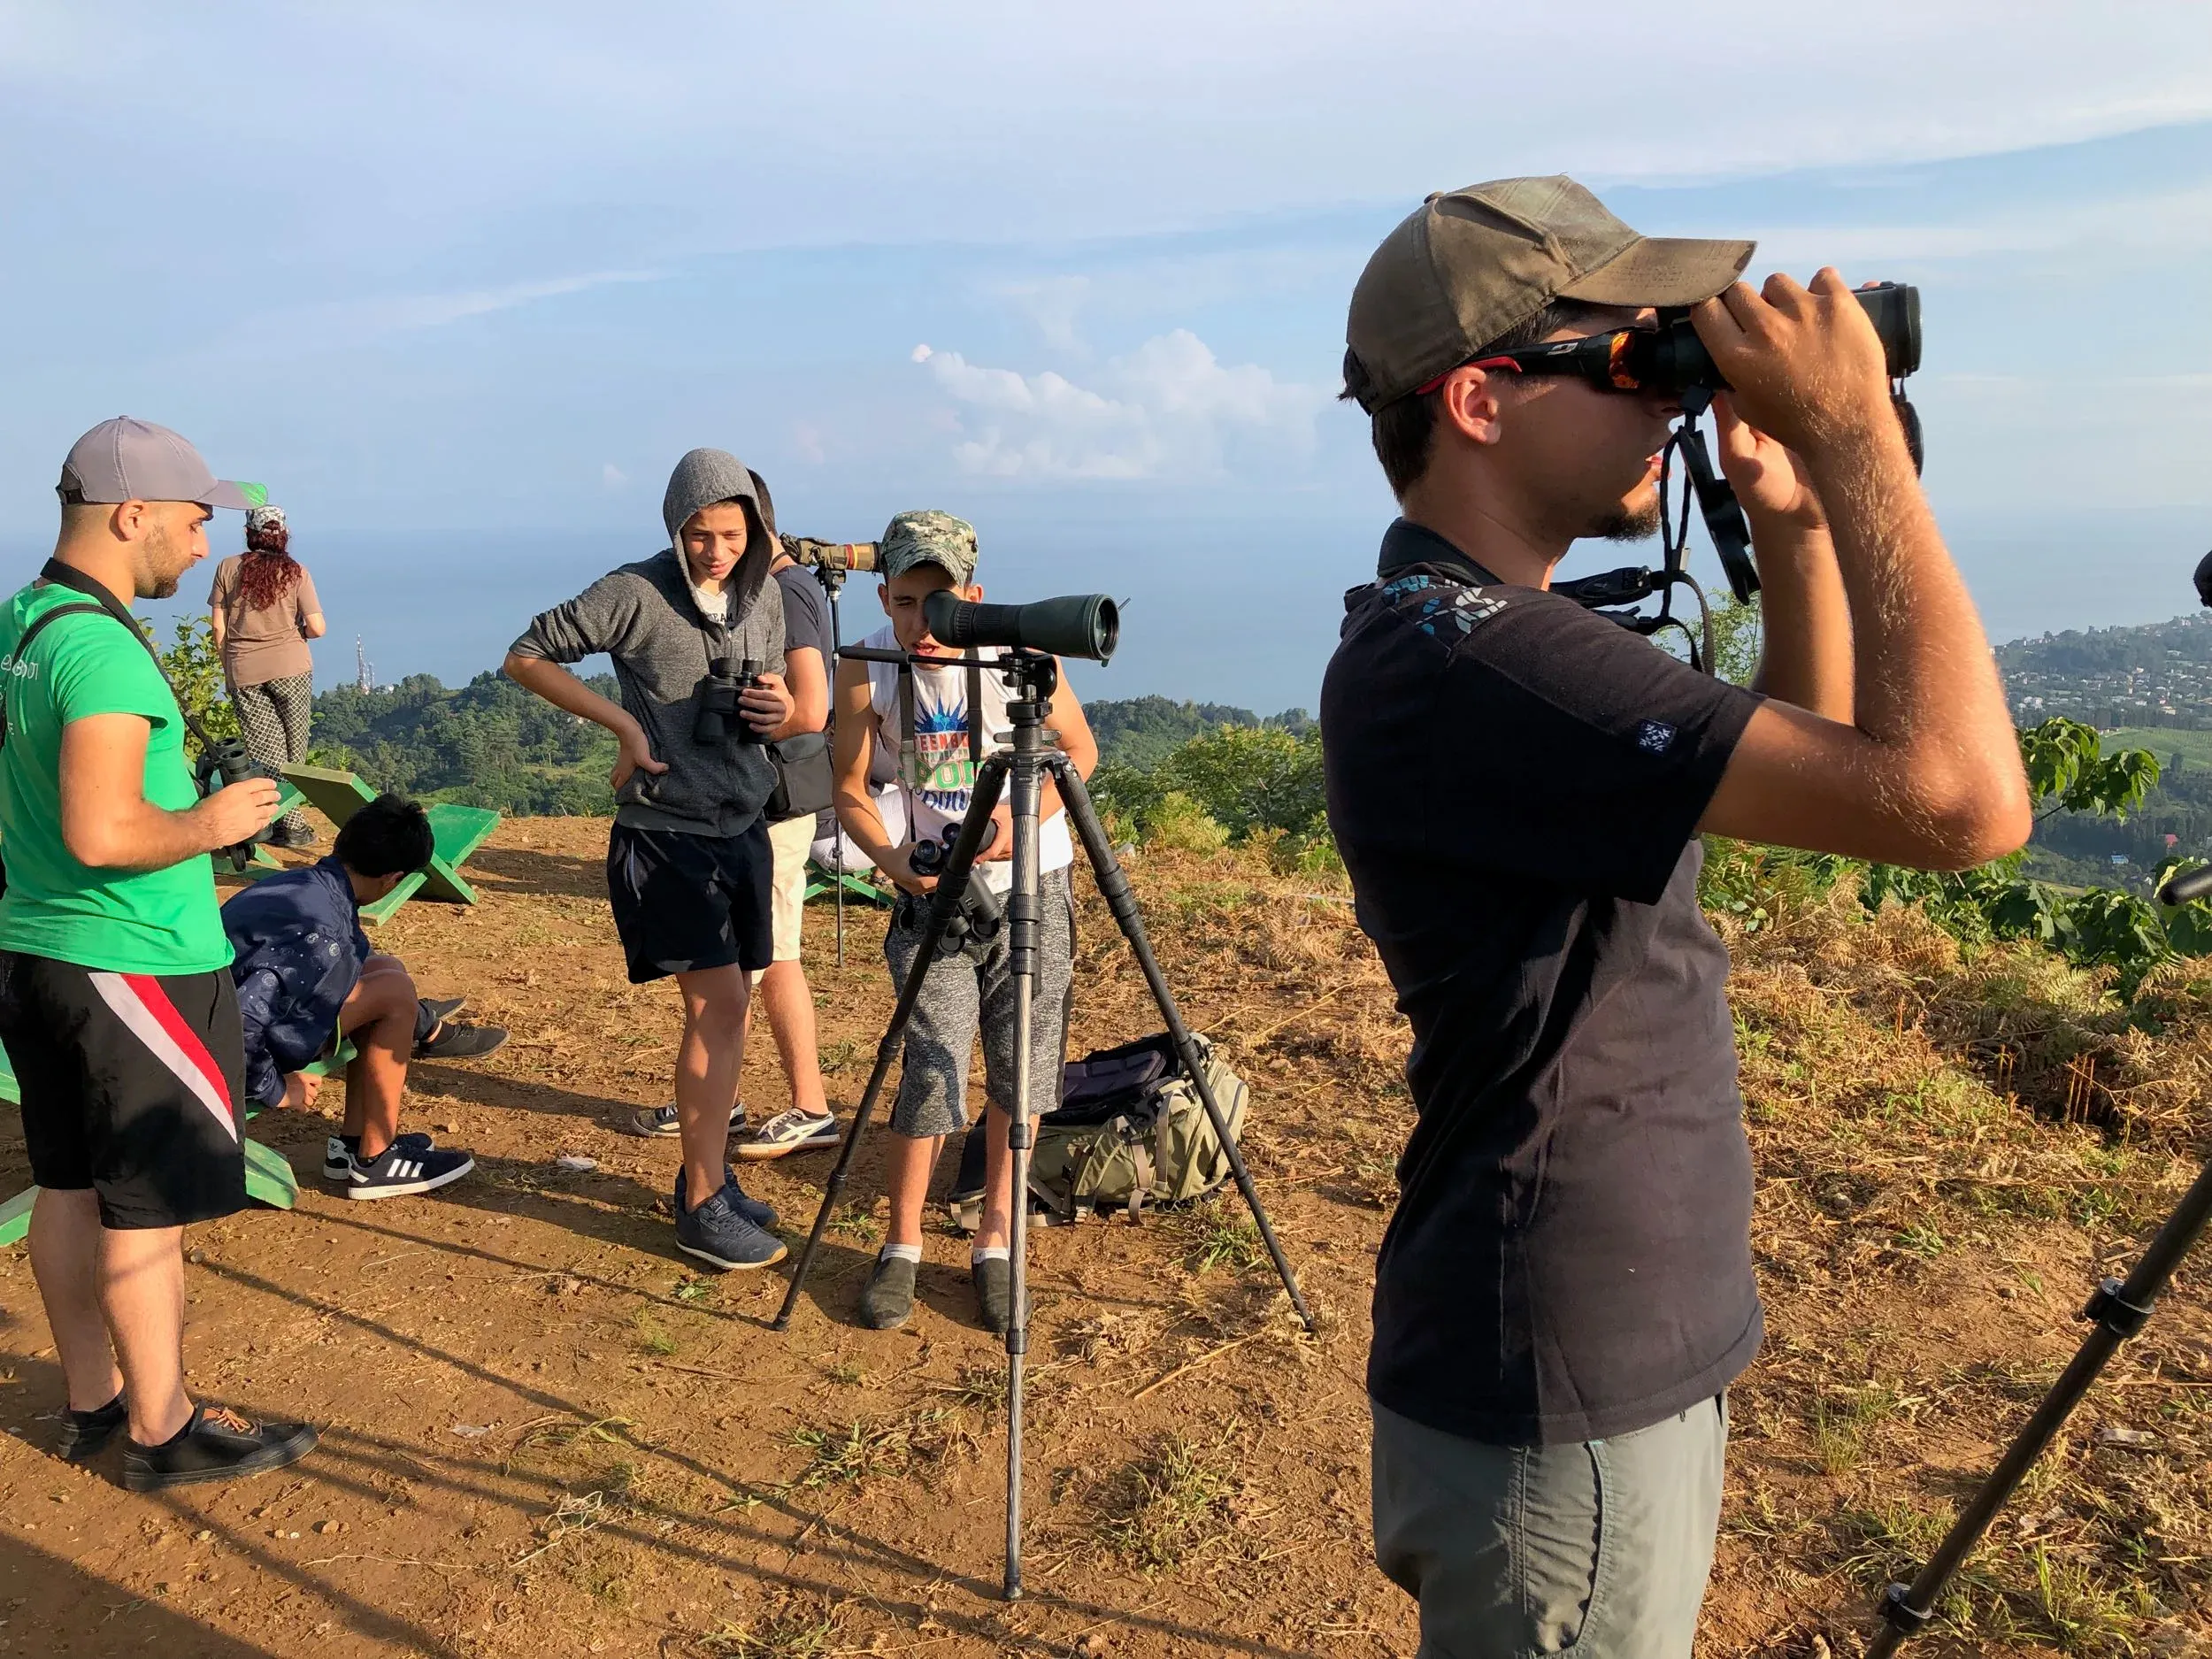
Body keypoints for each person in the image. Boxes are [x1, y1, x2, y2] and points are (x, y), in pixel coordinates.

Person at [1322, 177, 2032, 1658]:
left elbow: (1814, 749)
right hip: (1560, 1369)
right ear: (1481, 400)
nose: (1671, 387)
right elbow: (1962, 802)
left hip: (1587, 1335)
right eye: (1632, 353)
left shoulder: (1489, 639)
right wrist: (1853, 446)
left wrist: (1786, 519)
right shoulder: (1481, 662)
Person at [0, 417, 318, 1490]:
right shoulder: (98, 648)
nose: (199, 543)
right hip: (129, 958)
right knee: (147, 1209)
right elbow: (105, 831)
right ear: (130, 515)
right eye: (191, 520)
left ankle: (94, 1402)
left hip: (38, 947)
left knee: (69, 1184)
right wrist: (215, 823)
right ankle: (162, 1427)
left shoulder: (28, 624)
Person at [503, 449, 797, 1271]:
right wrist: (627, 729)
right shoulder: (634, 591)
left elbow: (776, 687)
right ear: (673, 528)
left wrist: (777, 706)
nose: (714, 550)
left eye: (732, 534)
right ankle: (702, 1203)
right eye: (697, 534)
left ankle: (711, 1180)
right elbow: (526, 654)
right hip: (666, 833)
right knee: (716, 1008)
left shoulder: (764, 591)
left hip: (742, 823)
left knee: (732, 1004)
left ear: (757, 528)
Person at [829, 511, 1099, 1334]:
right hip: (932, 894)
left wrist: (1024, 820)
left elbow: (1079, 753)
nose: (921, 622)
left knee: (1021, 1073)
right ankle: (902, 1243)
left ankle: (998, 1242)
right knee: (931, 1065)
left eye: (938, 602)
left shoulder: (1020, 657)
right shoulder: (866, 665)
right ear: (884, 597)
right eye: (905, 602)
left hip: (1033, 883)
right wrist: (894, 862)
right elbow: (845, 786)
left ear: (972, 596)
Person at [221, 794, 504, 1199]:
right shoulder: (320, 930)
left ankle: (351, 1147)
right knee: (393, 994)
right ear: (392, 879)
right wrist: (275, 1087)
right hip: (222, 1046)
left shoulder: (307, 884)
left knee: (386, 970)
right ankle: (376, 1160)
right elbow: (240, 1021)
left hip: (219, 1012)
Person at [208, 503, 324, 849]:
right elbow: (317, 627)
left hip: (245, 670)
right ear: (283, 535)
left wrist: (230, 662)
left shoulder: (228, 568)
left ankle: (282, 823)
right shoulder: (296, 572)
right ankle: (293, 824)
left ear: (249, 534)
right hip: (292, 667)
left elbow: (218, 628)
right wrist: (295, 630)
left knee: (266, 751)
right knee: (294, 748)